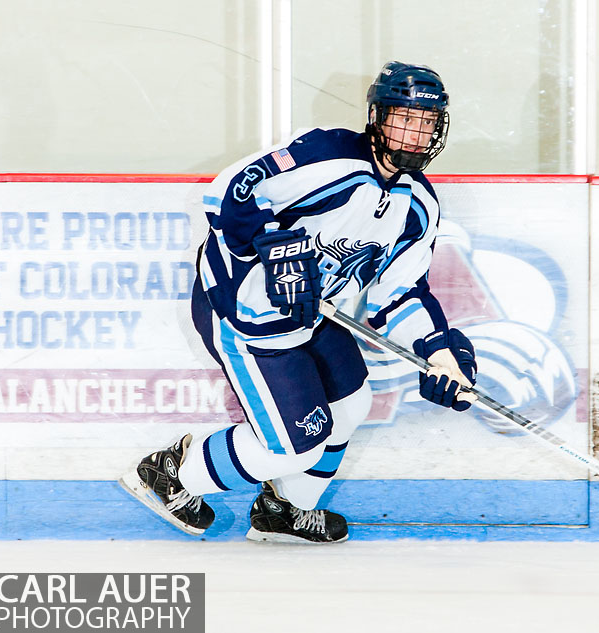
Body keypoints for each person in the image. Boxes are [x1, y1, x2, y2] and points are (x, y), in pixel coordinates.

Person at [119, 61, 477, 544]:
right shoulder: (327, 155)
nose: (415, 134)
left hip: (314, 314)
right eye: (403, 118)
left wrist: (438, 354)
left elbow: (402, 292)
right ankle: (169, 474)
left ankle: (282, 511)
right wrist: (271, 249)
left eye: (426, 123)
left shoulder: (419, 206)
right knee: (293, 446)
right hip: (245, 312)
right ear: (377, 116)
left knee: (351, 407)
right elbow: (232, 190)